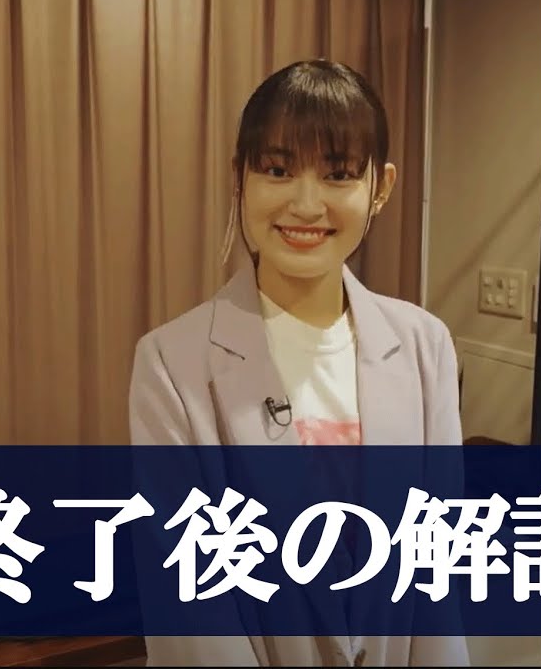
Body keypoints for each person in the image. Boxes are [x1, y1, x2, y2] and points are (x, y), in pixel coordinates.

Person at [128, 59, 470, 667]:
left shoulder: (425, 346)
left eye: (338, 173)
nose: (306, 204)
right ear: (240, 176)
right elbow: (191, 613)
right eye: (278, 170)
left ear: (381, 187)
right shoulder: (171, 364)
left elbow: (436, 574)